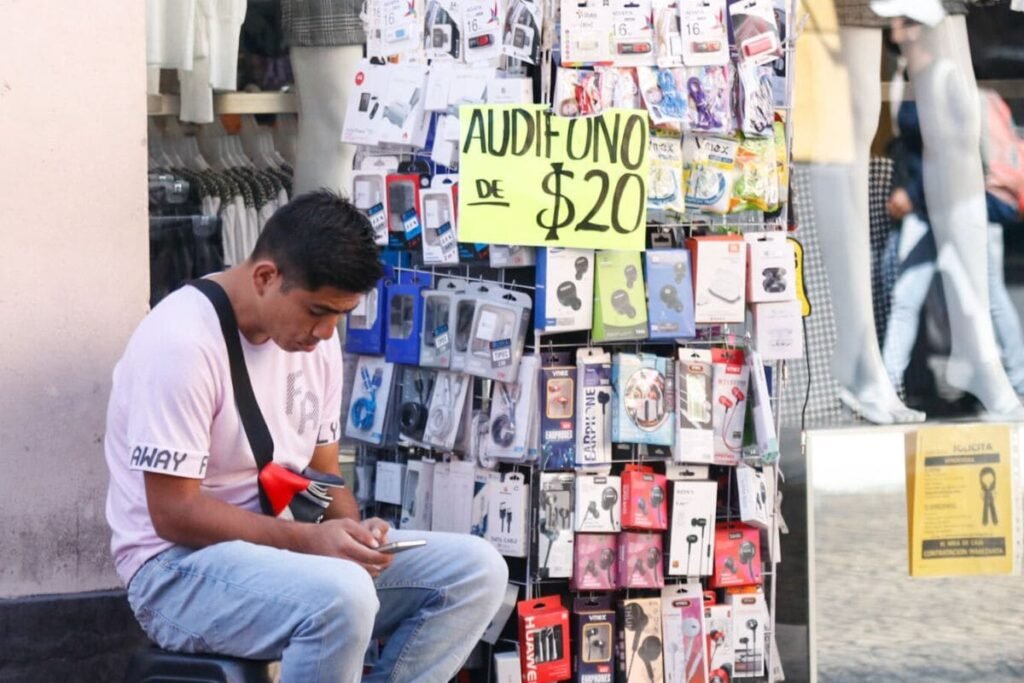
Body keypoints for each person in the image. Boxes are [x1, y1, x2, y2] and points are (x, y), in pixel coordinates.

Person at [104, 190, 509, 682]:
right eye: (318, 311)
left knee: (477, 570)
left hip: (283, 549)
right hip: (175, 572)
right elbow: (173, 513)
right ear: (265, 277)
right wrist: (311, 541)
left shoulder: (317, 343)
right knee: (341, 595)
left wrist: (356, 533)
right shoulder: (180, 342)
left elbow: (321, 473)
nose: (325, 332)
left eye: (339, 315)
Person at [882, 93, 1024, 397]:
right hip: (939, 207)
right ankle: (888, 385)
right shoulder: (928, 79)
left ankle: (1017, 379)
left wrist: (912, 192)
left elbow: (948, 151)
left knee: (985, 296)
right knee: (912, 298)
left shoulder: (937, 81)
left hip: (954, 205)